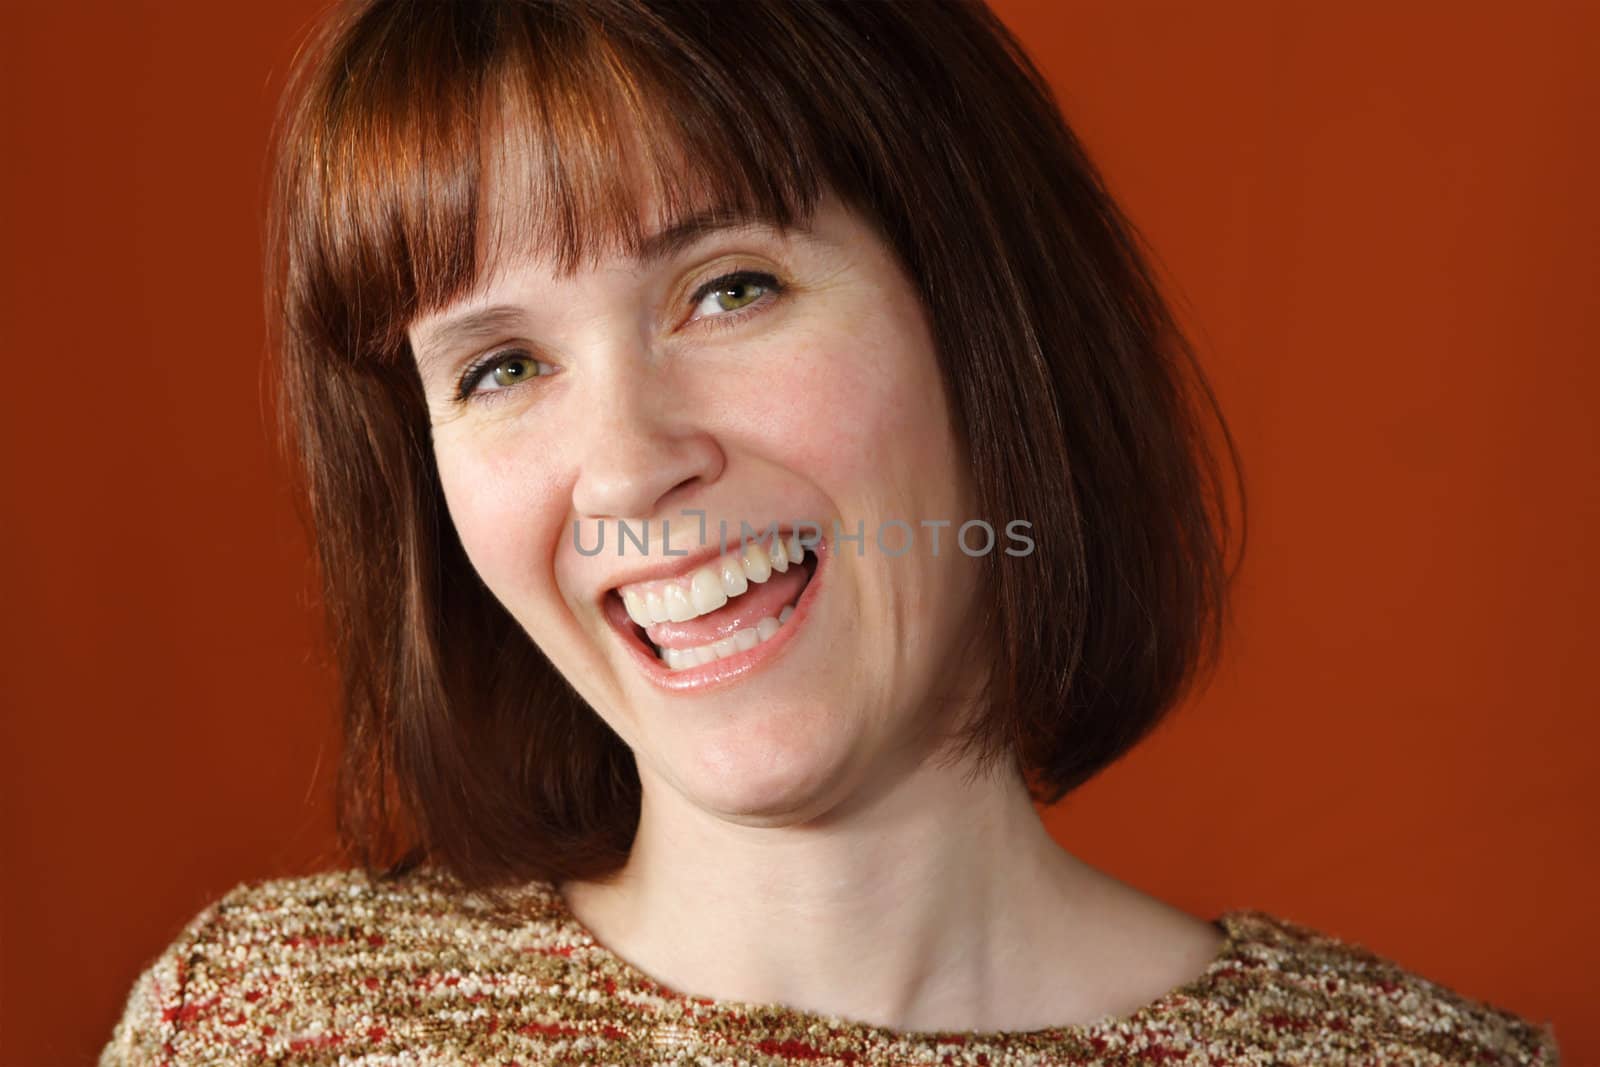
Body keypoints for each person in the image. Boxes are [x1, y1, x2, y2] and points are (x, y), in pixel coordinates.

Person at [100, 1, 1560, 1063]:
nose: (622, 471)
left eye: (729, 288)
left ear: (983, 314)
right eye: (501, 367)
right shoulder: (260, 1026)